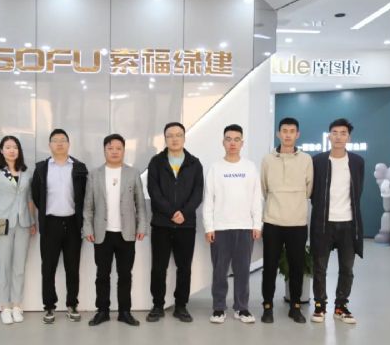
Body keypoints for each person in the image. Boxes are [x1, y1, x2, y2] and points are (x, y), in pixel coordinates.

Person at [82, 134, 148, 327]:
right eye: (110, 148)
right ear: (104, 150)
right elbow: (88, 206)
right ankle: (102, 311)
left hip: (126, 232)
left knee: (125, 275)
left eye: (118, 148)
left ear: (124, 151)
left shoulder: (132, 173)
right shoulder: (94, 174)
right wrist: (87, 228)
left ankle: (124, 312)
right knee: (102, 275)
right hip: (101, 232)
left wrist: (141, 226)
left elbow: (140, 203)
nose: (114, 152)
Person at [203, 124, 262, 324]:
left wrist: (257, 224)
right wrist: (209, 227)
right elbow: (208, 199)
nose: (232, 143)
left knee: (242, 271)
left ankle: (241, 308)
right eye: (229, 139)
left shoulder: (250, 167)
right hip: (220, 228)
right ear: (223, 142)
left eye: (237, 139)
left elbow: (256, 198)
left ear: (242, 143)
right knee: (220, 272)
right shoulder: (215, 168)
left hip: (245, 228)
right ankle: (219, 308)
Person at [146, 122, 203, 323]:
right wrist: (171, 213)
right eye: (170, 135)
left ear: (184, 138)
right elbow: (153, 191)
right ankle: (157, 305)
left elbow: (198, 193)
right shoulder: (156, 162)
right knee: (158, 267)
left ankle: (181, 306)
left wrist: (184, 213)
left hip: (186, 225)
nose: (174, 139)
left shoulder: (194, 163)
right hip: (161, 224)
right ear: (165, 139)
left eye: (178, 135)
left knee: (184, 268)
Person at [310, 118, 364, 324]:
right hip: (323, 223)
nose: (339, 137)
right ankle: (320, 305)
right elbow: (313, 191)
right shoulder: (318, 161)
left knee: (347, 269)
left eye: (343, 133)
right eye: (335, 132)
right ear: (329, 136)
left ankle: (341, 306)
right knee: (319, 267)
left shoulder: (357, 162)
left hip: (349, 223)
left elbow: (357, 191)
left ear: (348, 137)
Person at [260, 117, 313, 324]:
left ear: (297, 134)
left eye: (292, 131)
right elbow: (264, 188)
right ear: (278, 134)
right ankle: (267, 307)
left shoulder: (306, 160)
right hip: (272, 221)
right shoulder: (267, 160)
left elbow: (309, 189)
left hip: (297, 222)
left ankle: (295, 307)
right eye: (284, 131)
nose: (288, 134)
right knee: (269, 267)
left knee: (297, 267)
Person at [32, 128, 88, 324]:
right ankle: (49, 306)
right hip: (50, 224)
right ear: (50, 145)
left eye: (63, 140)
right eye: (55, 140)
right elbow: (36, 195)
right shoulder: (41, 168)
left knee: (73, 267)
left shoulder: (79, 167)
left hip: (73, 224)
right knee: (48, 268)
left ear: (68, 144)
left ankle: (72, 304)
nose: (59, 143)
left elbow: (85, 195)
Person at [0, 136, 36, 325]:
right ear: (1, 150)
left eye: (15, 147)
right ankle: (4, 306)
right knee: (3, 265)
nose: (12, 150)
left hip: (24, 222)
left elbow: (30, 199)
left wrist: (33, 221)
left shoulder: (26, 172)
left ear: (19, 150)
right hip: (0, 221)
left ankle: (16, 305)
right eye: (8, 147)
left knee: (19, 266)